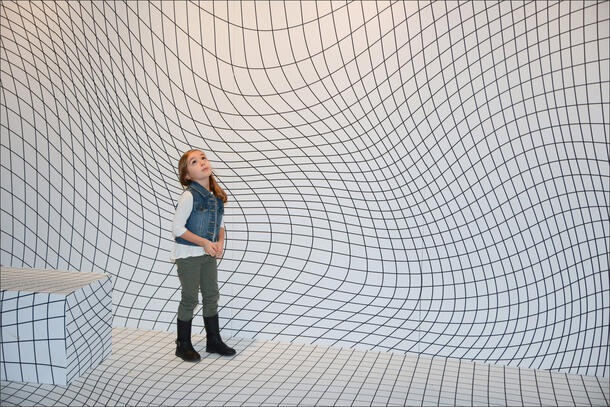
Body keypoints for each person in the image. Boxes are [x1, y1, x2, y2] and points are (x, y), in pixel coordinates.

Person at [171, 149, 236, 361]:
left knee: (211, 296)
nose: (202, 163)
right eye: (194, 162)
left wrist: (219, 243)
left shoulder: (216, 197)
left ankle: (213, 340)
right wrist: (205, 243)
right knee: (190, 298)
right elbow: (178, 229)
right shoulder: (188, 196)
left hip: (208, 254)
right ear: (187, 175)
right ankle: (183, 344)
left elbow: (221, 225)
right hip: (189, 255)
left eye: (203, 158)